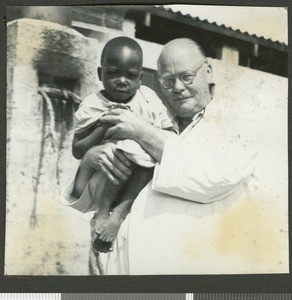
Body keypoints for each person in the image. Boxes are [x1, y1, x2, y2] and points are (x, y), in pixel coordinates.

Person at [66, 38, 288, 274]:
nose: (178, 87)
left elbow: (211, 176)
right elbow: (83, 196)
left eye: (187, 77)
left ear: (209, 72)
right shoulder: (159, 123)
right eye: (168, 80)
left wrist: (141, 132)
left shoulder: (235, 118)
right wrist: (91, 157)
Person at [64, 36, 175, 254]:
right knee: (124, 149)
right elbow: (78, 149)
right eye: (113, 73)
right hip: (106, 175)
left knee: (146, 157)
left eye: (131, 76)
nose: (122, 80)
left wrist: (145, 132)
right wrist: (103, 127)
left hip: (141, 175)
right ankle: (103, 213)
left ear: (141, 78)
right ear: (100, 74)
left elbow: (169, 132)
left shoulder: (148, 99)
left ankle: (119, 213)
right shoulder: (93, 104)